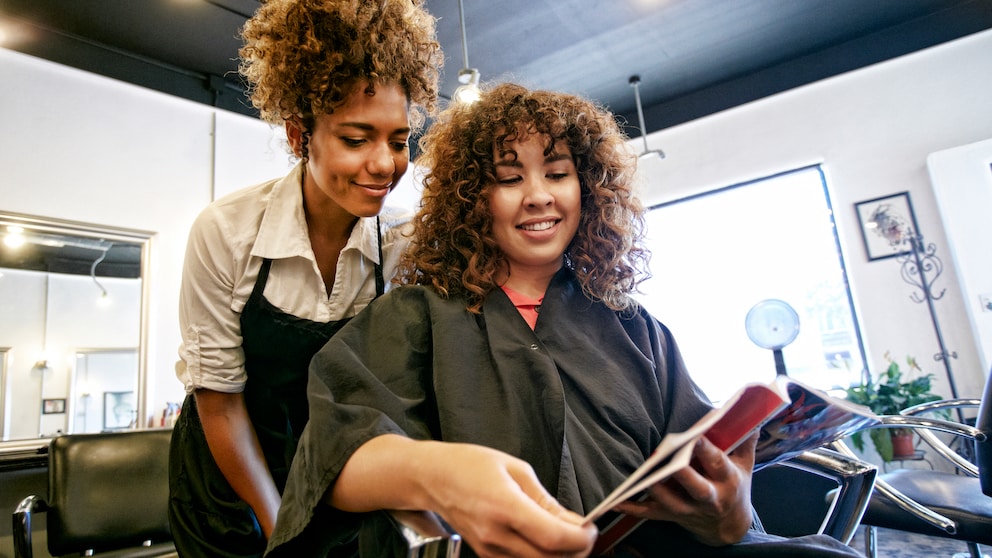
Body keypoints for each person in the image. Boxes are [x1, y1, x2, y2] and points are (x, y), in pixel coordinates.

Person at [266, 83, 863, 557]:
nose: (538, 196)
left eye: (556, 173)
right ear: (473, 198)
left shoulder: (637, 331)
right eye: (508, 178)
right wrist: (439, 472)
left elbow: (714, 487)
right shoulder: (414, 317)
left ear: (588, 188)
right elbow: (337, 458)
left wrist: (728, 514)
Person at [167, 1, 443, 556]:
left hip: (331, 481)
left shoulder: (404, 242)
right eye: (356, 138)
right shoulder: (226, 233)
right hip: (229, 490)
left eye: (397, 140)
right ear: (299, 136)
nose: (385, 164)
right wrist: (280, 531)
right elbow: (219, 403)